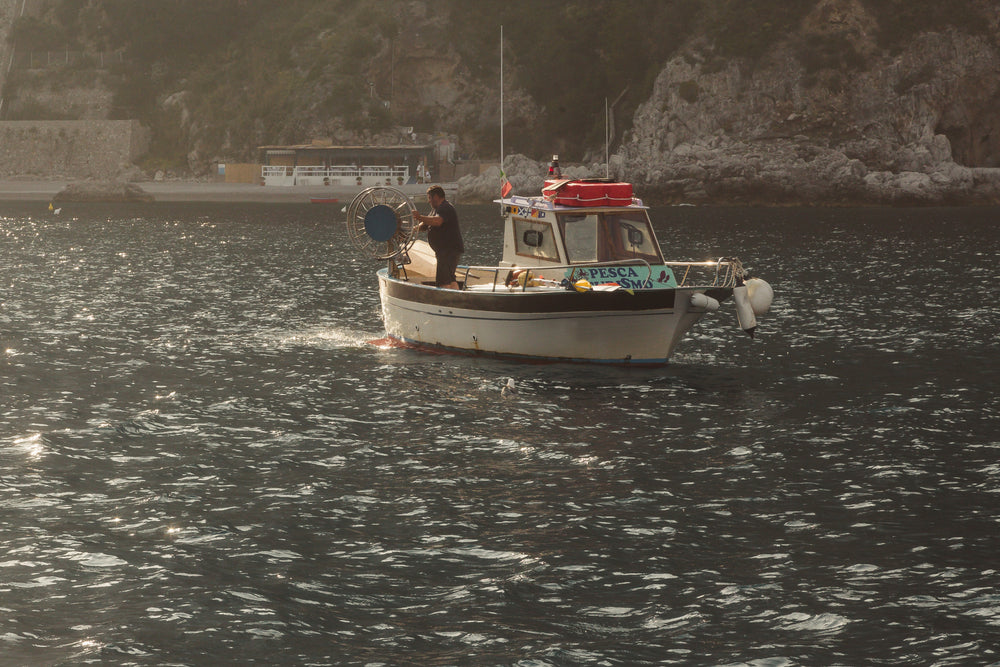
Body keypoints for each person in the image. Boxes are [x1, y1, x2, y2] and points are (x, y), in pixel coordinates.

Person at [414, 185, 464, 289]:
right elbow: (425, 225)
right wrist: (412, 229)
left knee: (443, 282)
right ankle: (455, 299)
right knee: (450, 279)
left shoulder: (445, 208)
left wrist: (419, 217)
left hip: (448, 251)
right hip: (446, 251)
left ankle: (445, 302)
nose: (429, 201)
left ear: (436, 197)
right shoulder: (436, 210)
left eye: (429, 198)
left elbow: (437, 221)